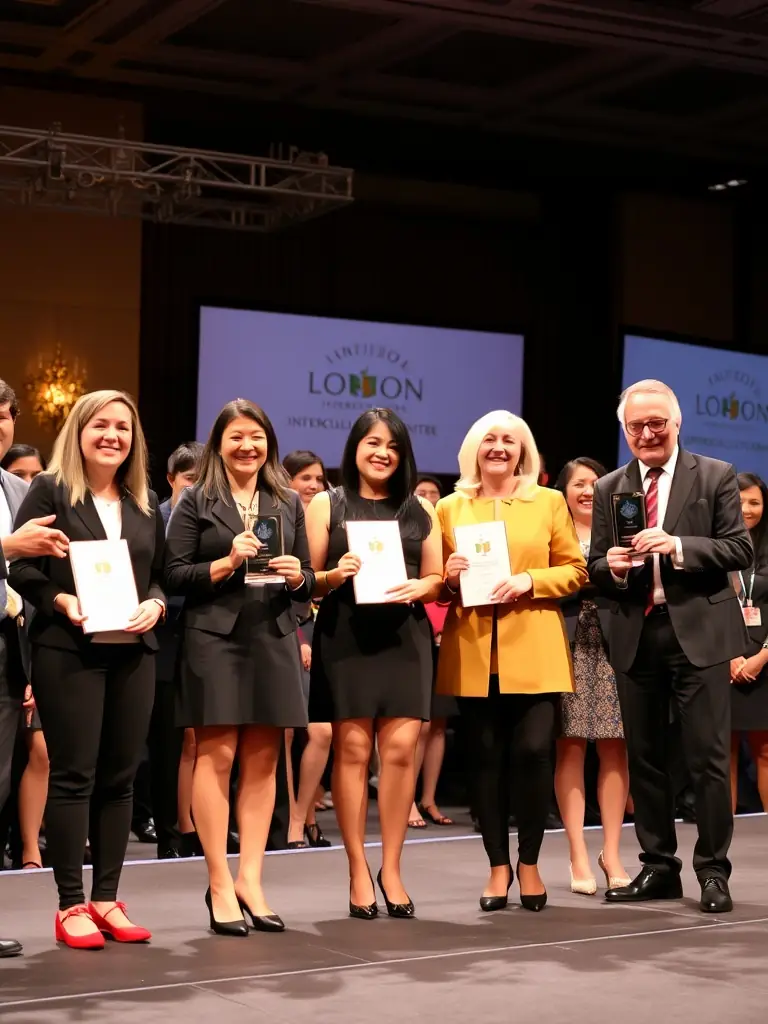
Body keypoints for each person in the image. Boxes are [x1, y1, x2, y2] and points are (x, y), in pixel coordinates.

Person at [588, 379, 752, 915]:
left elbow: (738, 548)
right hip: (636, 634)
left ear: (677, 423)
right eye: (637, 425)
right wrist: (607, 568)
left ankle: (712, 871)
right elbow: (594, 565)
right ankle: (658, 866)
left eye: (657, 422)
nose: (648, 432)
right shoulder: (611, 486)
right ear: (625, 429)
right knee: (646, 759)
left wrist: (677, 545)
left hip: (698, 636)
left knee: (707, 760)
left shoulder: (715, 475)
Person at [10, 389, 166, 949]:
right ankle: (70, 904)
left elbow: (161, 573)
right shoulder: (51, 489)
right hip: (68, 649)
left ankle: (107, 899)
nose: (112, 437)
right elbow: (21, 566)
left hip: (133, 648)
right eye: (101, 425)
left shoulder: (144, 500)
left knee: (120, 777)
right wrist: (59, 600)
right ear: (79, 430)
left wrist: (158, 603)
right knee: (74, 774)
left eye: (123, 428)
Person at [165, 399, 312, 936]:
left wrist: (300, 577)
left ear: (268, 443)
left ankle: (251, 878)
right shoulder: (196, 501)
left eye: (256, 436)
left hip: (271, 637)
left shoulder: (289, 500)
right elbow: (175, 573)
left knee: (264, 759)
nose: (247, 446)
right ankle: (220, 882)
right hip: (214, 639)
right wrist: (226, 562)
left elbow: (308, 580)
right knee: (217, 754)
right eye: (235, 438)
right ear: (218, 445)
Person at [435, 411, 586, 913]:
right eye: (489, 440)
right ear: (474, 449)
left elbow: (576, 571)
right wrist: (451, 577)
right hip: (474, 648)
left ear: (524, 451)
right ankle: (498, 866)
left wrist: (531, 581)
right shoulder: (450, 507)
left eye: (510, 441)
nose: (499, 447)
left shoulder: (549, 501)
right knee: (483, 759)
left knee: (533, 754)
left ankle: (530, 863)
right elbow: (439, 582)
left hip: (535, 648)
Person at [306, 409, 443, 919]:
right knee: (354, 748)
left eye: (392, 445)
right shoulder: (327, 503)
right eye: (372, 442)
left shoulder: (419, 509)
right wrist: (334, 574)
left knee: (403, 747)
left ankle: (392, 868)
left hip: (405, 634)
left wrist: (423, 586)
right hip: (346, 633)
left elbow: (437, 581)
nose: (382, 452)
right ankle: (357, 869)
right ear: (355, 448)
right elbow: (309, 577)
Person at [0, 379, 68, 958]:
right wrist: (8, 548)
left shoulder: (14, 487)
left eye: (5, 416)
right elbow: (13, 555)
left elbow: (26, 575)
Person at [554, 457, 630, 894]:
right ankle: (577, 852)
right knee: (570, 747)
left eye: (595, 484)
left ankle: (613, 851)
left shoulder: (621, 531)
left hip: (617, 643)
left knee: (616, 747)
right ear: (563, 492)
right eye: (579, 484)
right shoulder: (553, 532)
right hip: (563, 643)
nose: (588, 491)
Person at [148, 441, 205, 859]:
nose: (197, 486)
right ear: (171, 480)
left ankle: (191, 827)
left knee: (197, 740)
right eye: (189, 479)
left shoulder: (213, 519)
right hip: (162, 640)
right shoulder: (156, 519)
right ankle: (168, 830)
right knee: (166, 742)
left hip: (202, 637)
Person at [282, 450, 332, 849]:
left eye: (319, 478)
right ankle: (289, 820)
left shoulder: (329, 519)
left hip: (324, 632)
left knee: (323, 732)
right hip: (289, 632)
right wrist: (298, 639)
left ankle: (305, 812)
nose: (314, 485)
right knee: (284, 733)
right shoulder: (278, 520)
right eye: (305, 478)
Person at [409, 475, 456, 829]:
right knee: (417, 727)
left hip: (445, 640)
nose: (428, 498)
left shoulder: (447, 539)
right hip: (417, 636)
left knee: (438, 726)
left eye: (433, 494)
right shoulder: (409, 534)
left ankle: (429, 798)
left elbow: (446, 586)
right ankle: (407, 799)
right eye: (421, 493)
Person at [730, 472, 768, 811]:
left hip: (765, 661)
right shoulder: (718, 545)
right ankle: (720, 844)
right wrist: (729, 655)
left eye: (754, 502)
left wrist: (763, 656)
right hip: (722, 659)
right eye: (739, 501)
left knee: (765, 749)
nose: (746, 509)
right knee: (721, 751)